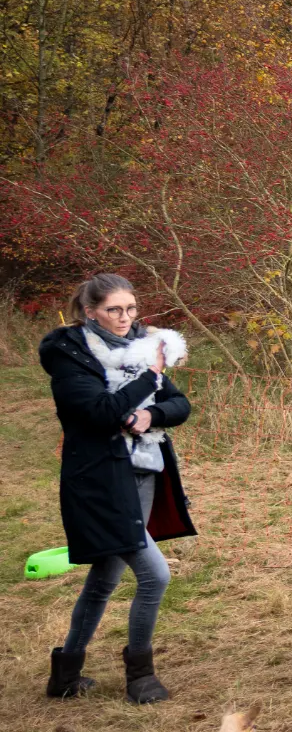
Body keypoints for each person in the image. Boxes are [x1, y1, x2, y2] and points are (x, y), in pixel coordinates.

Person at [41, 273, 195, 703]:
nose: (125, 318)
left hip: (145, 471)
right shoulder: (70, 354)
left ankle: (65, 675)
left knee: (106, 574)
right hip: (99, 479)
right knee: (154, 575)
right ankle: (140, 675)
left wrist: (152, 416)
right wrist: (150, 377)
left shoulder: (143, 346)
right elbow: (100, 411)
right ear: (90, 311)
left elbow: (179, 404)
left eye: (130, 308)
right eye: (113, 310)